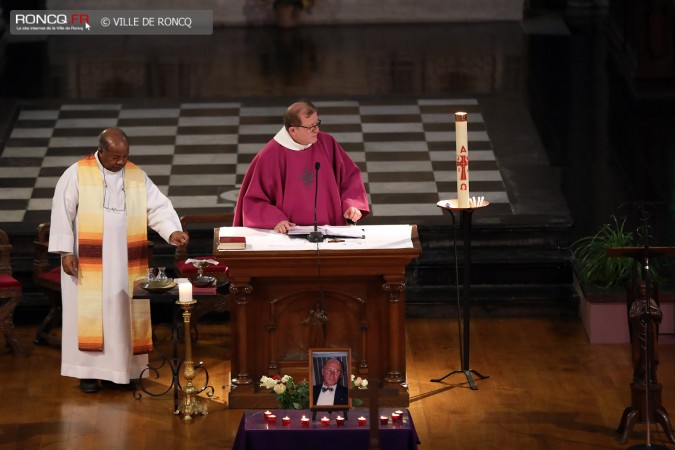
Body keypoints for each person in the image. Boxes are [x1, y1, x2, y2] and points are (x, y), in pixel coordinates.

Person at [49, 128, 189, 393]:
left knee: (124, 314)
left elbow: (158, 207)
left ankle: (126, 371)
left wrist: (173, 230)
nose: (121, 162)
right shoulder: (76, 173)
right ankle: (88, 374)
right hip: (87, 263)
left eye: (125, 156)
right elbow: (61, 213)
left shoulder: (136, 175)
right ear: (101, 151)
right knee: (91, 315)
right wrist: (66, 252)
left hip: (127, 262)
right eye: (116, 157)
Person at [233, 100, 370, 233]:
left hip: (330, 230)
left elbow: (350, 177)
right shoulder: (270, 155)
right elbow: (254, 201)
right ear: (293, 130)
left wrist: (352, 205)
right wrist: (276, 220)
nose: (317, 130)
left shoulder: (327, 143)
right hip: (289, 235)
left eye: (317, 123)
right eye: (311, 127)